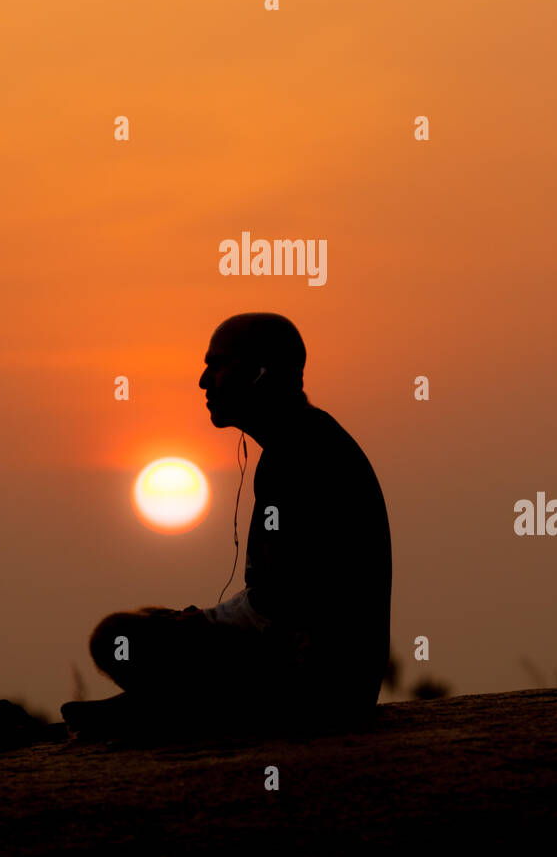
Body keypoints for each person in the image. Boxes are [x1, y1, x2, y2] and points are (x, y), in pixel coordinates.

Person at [60, 313, 392, 741]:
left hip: (317, 690)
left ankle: (169, 712)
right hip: (333, 682)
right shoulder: (303, 442)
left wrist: (205, 625)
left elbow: (282, 604)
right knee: (153, 620)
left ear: (259, 373)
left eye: (216, 365)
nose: (203, 380)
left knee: (116, 635)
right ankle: (159, 709)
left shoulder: (302, 454)